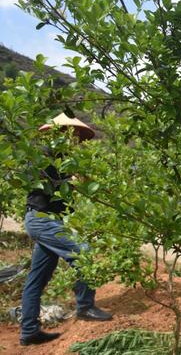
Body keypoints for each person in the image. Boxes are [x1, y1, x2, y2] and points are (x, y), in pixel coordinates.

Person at [20, 113, 113, 347]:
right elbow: (46, 185)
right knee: (84, 253)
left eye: (76, 136)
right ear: (57, 134)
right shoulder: (42, 156)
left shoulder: (64, 160)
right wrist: (70, 180)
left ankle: (29, 331)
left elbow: (68, 198)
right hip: (41, 219)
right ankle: (85, 307)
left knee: (36, 279)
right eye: (71, 135)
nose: (75, 140)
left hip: (50, 222)